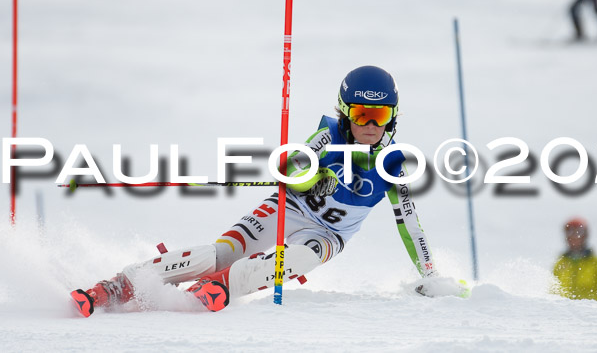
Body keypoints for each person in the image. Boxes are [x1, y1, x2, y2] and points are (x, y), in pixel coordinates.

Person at [71, 66, 458, 317]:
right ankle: (118, 286)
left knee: (303, 258)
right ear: (345, 113)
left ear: (392, 117)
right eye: (360, 115)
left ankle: (223, 285)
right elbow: (289, 168)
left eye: (381, 116)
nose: (370, 126)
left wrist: (430, 273)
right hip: (287, 205)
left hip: (327, 234)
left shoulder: (392, 164)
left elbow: (411, 225)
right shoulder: (328, 135)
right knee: (217, 252)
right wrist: (313, 177)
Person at [552, 217, 597, 301]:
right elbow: (553, 292)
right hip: (565, 312)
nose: (574, 237)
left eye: (578, 232)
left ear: (585, 236)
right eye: (570, 232)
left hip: (591, 312)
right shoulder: (560, 264)